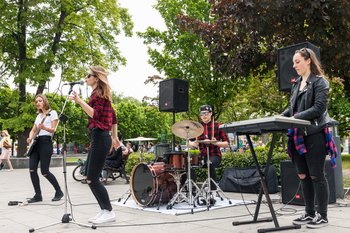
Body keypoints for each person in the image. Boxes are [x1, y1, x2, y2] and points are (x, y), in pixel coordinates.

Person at [281, 48, 337, 229]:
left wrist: (294, 118)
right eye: (294, 62)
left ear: (308, 61)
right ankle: (309, 212)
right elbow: (290, 109)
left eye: (297, 61)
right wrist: (279, 119)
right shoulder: (296, 83)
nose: (294, 65)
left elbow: (318, 108)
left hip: (315, 134)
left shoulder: (320, 82)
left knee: (316, 175)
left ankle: (322, 215)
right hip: (298, 136)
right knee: (303, 175)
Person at [70, 65, 120, 224]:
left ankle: (109, 212)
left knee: (92, 177)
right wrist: (115, 137)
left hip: (100, 137)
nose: (86, 78)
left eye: (89, 75)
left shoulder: (98, 94)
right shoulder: (100, 94)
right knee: (89, 177)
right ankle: (104, 210)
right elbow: (114, 117)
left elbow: (95, 114)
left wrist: (79, 101)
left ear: (96, 78)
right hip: (98, 137)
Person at [26, 94, 64, 203]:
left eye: (40, 101)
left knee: (44, 171)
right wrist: (30, 137)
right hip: (36, 143)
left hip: (46, 142)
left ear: (44, 101)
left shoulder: (52, 113)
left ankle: (58, 191)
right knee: (32, 169)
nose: (38, 103)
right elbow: (33, 130)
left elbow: (53, 129)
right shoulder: (38, 116)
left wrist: (45, 128)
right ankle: (38, 195)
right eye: (36, 101)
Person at [189, 105, 229, 191]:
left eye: (206, 113)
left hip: (215, 155)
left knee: (209, 163)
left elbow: (227, 144)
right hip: (202, 155)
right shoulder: (198, 128)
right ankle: (192, 189)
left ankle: (213, 190)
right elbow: (188, 141)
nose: (204, 116)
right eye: (202, 114)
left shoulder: (218, 126)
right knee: (188, 164)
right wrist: (193, 143)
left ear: (211, 114)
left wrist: (215, 143)